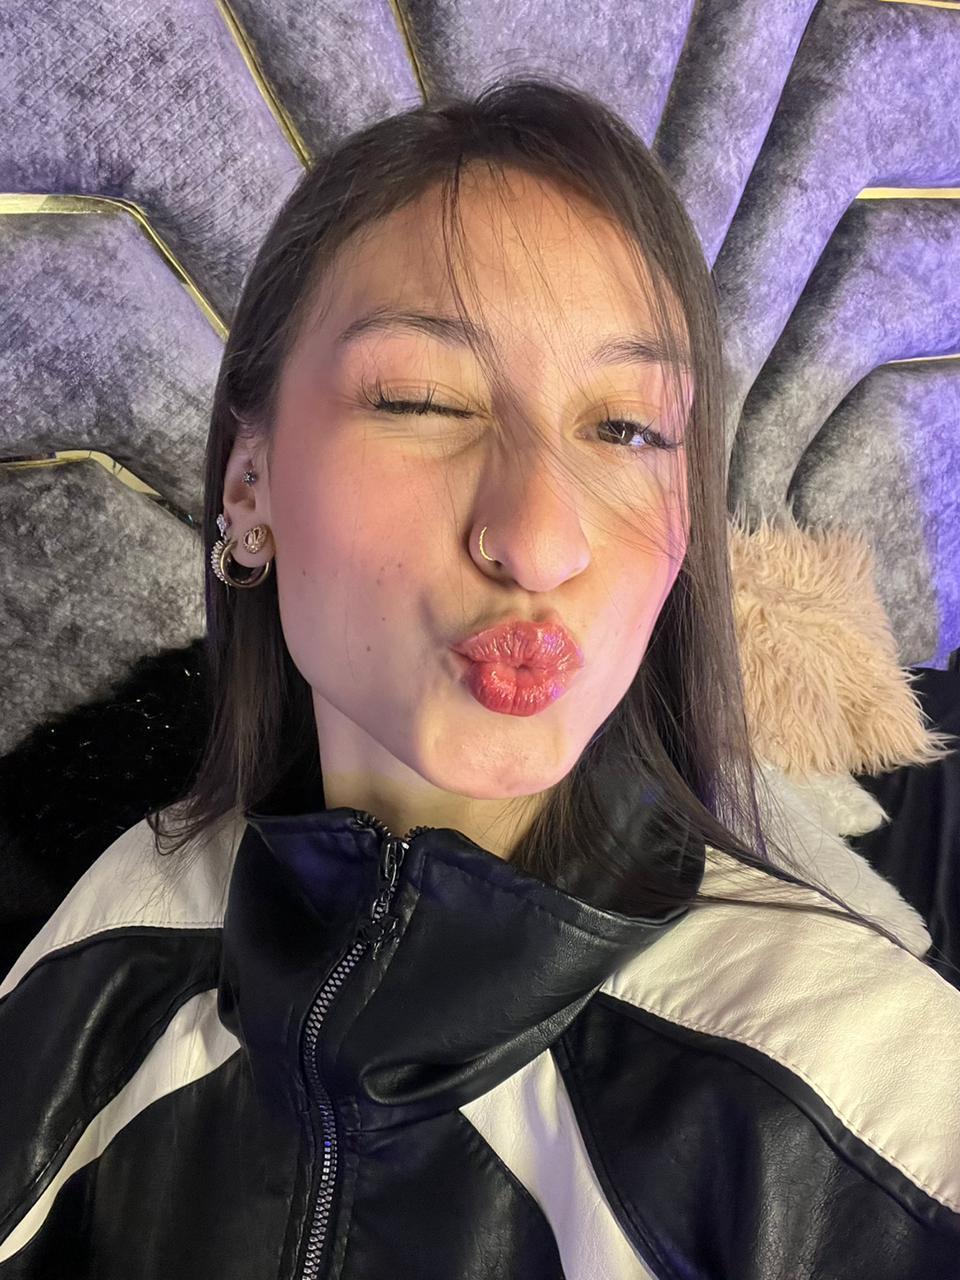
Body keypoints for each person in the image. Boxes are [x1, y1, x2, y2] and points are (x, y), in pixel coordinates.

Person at [2, 74, 959, 1280]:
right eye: (424, 399)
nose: (541, 539)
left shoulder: (874, 1105)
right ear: (250, 483)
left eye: (626, 429)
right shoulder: (110, 937)